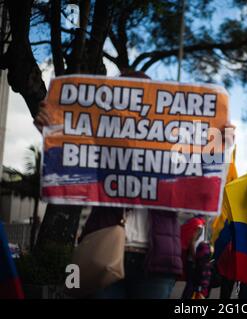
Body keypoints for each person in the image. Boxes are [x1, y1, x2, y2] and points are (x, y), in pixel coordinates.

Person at [33, 70, 235, 298]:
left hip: (157, 262)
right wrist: (51, 132)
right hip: (101, 253)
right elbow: (69, 170)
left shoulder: (174, 155)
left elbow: (199, 198)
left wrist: (220, 148)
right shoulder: (99, 148)